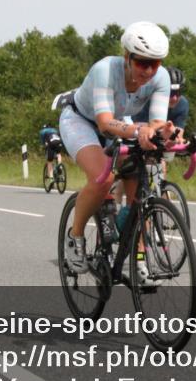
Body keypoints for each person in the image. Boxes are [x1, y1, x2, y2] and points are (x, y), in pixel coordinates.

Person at [57, 21, 177, 280]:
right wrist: (138, 131)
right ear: (127, 57)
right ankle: (74, 237)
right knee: (104, 177)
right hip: (82, 121)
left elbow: (156, 121)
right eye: (142, 63)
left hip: (121, 124)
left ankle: (136, 258)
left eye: (155, 64)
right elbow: (104, 121)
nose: (148, 71)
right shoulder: (105, 70)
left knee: (139, 185)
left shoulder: (161, 77)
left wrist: (164, 131)